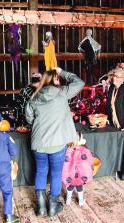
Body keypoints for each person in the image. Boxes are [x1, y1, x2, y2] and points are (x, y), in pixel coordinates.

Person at [25, 67, 84, 217]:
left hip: (38, 143)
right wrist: (63, 71)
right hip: (57, 143)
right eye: (58, 78)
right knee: (56, 174)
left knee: (40, 171)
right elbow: (79, 82)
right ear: (56, 79)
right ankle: (52, 207)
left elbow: (29, 119)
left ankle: (41, 207)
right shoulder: (63, 93)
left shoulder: (34, 97)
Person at [62, 133, 93, 206]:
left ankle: (68, 200)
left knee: (70, 186)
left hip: (70, 175)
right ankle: (81, 201)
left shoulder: (67, 150)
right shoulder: (84, 150)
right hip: (80, 175)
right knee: (79, 187)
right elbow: (88, 161)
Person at [106, 66, 124, 144]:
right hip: (113, 125)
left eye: (117, 77)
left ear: (123, 79)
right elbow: (109, 106)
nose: (114, 78)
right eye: (114, 76)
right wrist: (108, 118)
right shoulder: (112, 88)